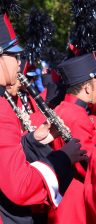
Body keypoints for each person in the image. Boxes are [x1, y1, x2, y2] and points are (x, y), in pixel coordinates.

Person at [0, 15, 87, 224]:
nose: (19, 63)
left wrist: (32, 141)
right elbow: (22, 187)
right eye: (15, 57)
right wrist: (64, 158)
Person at [48, 53, 96, 224]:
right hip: (74, 201)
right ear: (88, 88)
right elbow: (86, 164)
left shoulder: (63, 108)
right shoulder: (77, 115)